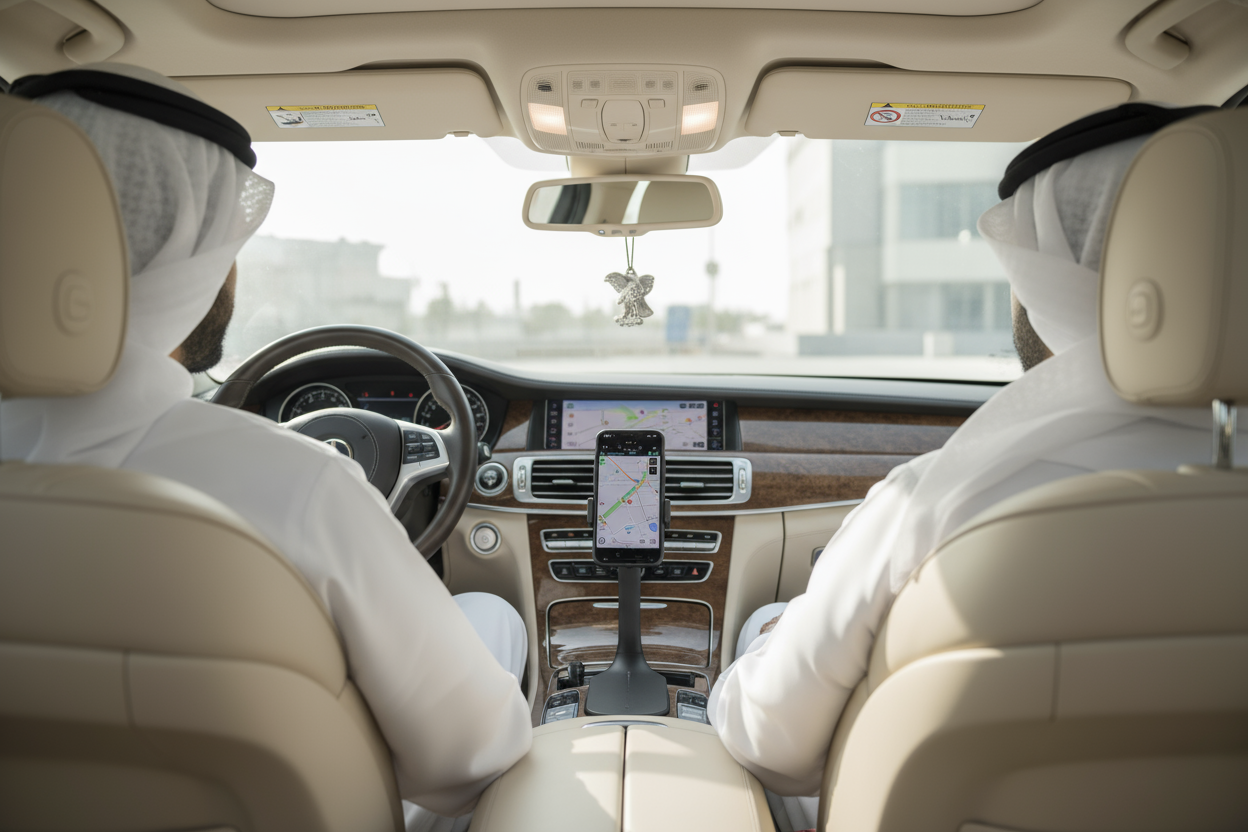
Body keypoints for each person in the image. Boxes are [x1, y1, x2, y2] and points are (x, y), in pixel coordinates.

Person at [0, 63, 531, 831]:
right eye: (223, 245)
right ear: (185, 258)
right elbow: (468, 759)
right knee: (489, 616)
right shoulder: (301, 484)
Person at [707, 103, 1247, 831]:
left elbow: (769, 744)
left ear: (1061, 277)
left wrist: (742, 668)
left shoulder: (933, 507)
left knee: (765, 633)